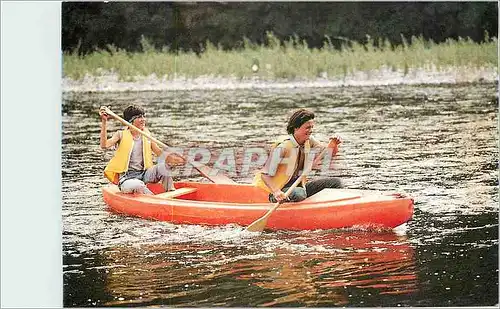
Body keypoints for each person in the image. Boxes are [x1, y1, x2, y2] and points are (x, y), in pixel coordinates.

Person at [253, 108, 342, 203]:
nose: (311, 130)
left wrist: (335, 144)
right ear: (296, 128)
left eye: (312, 127)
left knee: (335, 183)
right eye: (308, 127)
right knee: (299, 193)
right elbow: (264, 175)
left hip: (297, 188)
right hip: (275, 193)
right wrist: (276, 192)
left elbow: (329, 154)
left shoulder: (309, 141)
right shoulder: (283, 147)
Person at [99, 105, 185, 194]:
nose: (143, 119)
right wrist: (104, 121)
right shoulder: (120, 135)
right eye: (139, 117)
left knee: (165, 167)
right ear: (131, 121)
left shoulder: (146, 134)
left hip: (145, 174)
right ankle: (153, 200)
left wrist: (177, 160)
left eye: (144, 116)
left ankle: (171, 192)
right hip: (127, 178)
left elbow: (158, 152)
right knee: (137, 185)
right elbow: (104, 145)